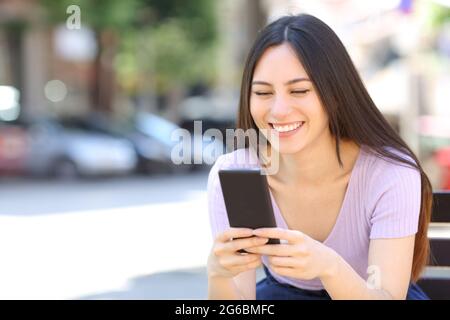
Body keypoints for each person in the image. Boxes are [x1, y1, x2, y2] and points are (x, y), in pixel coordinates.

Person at [206, 14, 432, 300]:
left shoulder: (389, 173)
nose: (279, 110)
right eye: (263, 92)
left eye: (299, 90)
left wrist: (329, 266)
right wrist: (218, 273)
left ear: (334, 94)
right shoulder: (237, 173)